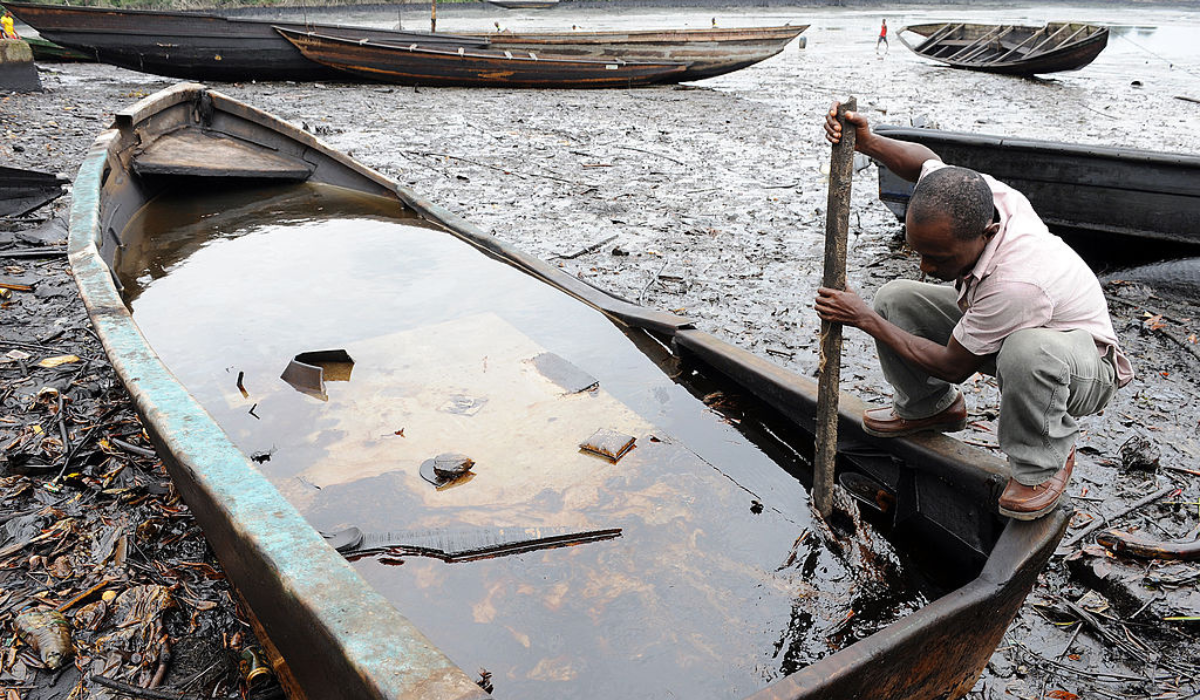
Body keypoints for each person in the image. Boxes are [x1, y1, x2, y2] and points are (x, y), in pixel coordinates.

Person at [817, 102, 1133, 520]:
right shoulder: (978, 196)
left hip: (1082, 365)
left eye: (939, 257)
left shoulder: (1017, 283)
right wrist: (868, 142)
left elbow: (952, 365)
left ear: (987, 235)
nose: (926, 268)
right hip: (1018, 329)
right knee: (896, 298)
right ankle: (929, 408)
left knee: (1027, 352)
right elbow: (926, 164)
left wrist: (862, 319)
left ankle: (1043, 464)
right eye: (920, 252)